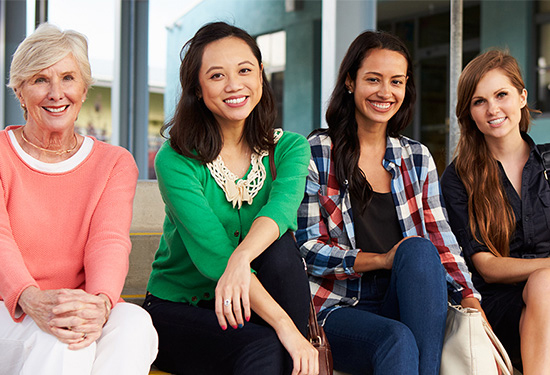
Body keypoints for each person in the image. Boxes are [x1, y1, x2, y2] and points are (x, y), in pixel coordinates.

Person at [296, 30, 482, 375]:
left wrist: (470, 297)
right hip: (338, 306)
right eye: (373, 79)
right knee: (396, 339)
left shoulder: (416, 156)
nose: (385, 92)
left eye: (396, 81)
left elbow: (442, 240)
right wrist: (381, 260)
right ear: (350, 82)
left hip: (409, 301)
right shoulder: (316, 152)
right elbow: (306, 249)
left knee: (419, 250)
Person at [143, 22, 318, 375]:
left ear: (261, 75)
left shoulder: (290, 148)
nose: (234, 85)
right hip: (182, 309)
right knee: (267, 345)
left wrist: (242, 257)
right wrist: (289, 329)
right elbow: (214, 257)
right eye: (217, 76)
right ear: (197, 87)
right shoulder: (176, 160)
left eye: (244, 70)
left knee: (281, 247)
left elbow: (281, 210)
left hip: (252, 303)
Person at [0, 23, 158, 375]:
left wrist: (102, 303)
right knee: (63, 342)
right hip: (7, 307)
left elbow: (109, 241)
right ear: (19, 91)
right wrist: (31, 298)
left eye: (68, 78)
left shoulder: (113, 162)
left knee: (133, 323)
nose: (56, 92)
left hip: (80, 304)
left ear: (84, 89)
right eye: (40, 79)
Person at [441, 50, 550, 374]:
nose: (492, 109)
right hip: (504, 309)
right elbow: (486, 266)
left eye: (501, 95)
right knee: (545, 284)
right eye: (479, 101)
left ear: (521, 97)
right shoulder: (459, 178)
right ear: (469, 113)